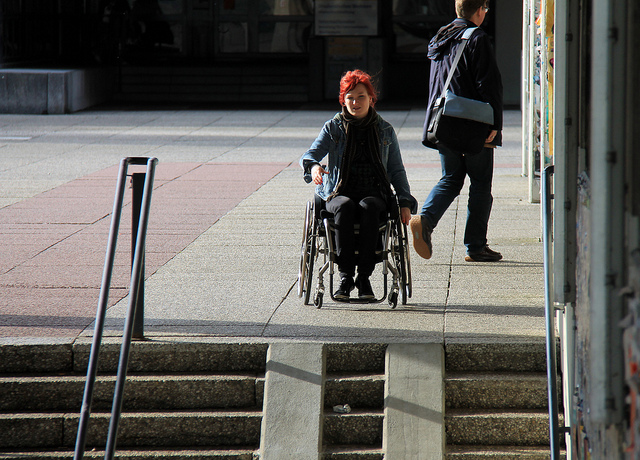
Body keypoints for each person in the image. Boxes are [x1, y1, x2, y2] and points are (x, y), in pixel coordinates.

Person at [300, 70, 417, 301]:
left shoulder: (385, 130)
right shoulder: (333, 127)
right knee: (344, 207)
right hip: (338, 191)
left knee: (370, 207)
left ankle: (364, 277)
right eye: (350, 97)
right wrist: (314, 167)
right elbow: (311, 155)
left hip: (374, 191)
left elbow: (396, 170)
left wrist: (404, 201)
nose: (355, 102)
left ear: (371, 99)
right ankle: (345, 278)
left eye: (361, 97)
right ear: (343, 99)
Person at [411, 0, 503, 262]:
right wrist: (494, 124)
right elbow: (490, 84)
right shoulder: (478, 38)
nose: (485, 12)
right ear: (478, 11)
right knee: (481, 183)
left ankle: (426, 220)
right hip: (473, 123)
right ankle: (475, 246)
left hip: (443, 122)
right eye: (485, 8)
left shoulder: (441, 37)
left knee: (451, 178)